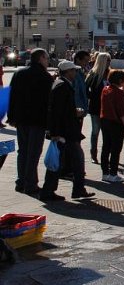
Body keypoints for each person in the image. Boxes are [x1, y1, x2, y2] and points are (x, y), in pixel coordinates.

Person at [40, 61, 95, 201]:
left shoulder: (61, 84)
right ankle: (70, 190)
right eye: (73, 71)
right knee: (72, 160)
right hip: (65, 131)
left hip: (66, 131)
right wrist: (56, 132)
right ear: (68, 71)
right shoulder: (62, 86)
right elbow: (56, 111)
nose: (75, 73)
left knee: (62, 161)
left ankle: (71, 189)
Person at [8, 48, 54, 196]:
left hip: (21, 119)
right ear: (41, 58)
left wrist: (12, 117)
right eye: (47, 59)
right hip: (37, 120)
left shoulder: (19, 73)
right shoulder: (45, 76)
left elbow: (12, 96)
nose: (48, 62)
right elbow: (48, 102)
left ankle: (21, 182)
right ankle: (30, 184)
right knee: (33, 153)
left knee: (23, 151)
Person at [99, 70, 124, 182]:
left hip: (104, 120)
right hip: (115, 122)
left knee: (106, 147)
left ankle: (105, 173)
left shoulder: (105, 89)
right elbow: (122, 112)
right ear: (120, 81)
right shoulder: (119, 93)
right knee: (116, 149)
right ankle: (113, 173)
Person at [85, 52, 111, 164]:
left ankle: (106, 156)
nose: (109, 62)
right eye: (108, 60)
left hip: (107, 108)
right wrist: (97, 96)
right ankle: (93, 154)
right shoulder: (93, 75)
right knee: (95, 131)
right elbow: (86, 91)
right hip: (96, 107)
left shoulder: (109, 74)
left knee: (107, 133)